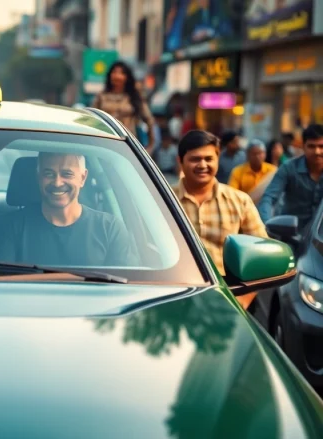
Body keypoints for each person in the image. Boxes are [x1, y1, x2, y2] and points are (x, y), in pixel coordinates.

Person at [0, 152, 139, 267]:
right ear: (38, 177)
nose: (57, 182)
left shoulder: (109, 228)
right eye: (49, 174)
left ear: (83, 178)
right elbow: (2, 288)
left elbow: (125, 289)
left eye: (67, 174)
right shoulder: (7, 227)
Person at [174, 130, 267, 309]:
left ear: (218, 159)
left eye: (209, 159)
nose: (202, 165)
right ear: (180, 161)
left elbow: (261, 255)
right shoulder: (163, 199)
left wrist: (242, 302)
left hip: (230, 297)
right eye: (195, 159)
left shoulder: (240, 202)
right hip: (174, 295)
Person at [259, 124, 323, 235]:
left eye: (321, 146)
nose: (317, 151)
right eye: (311, 146)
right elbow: (268, 198)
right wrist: (268, 225)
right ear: (303, 147)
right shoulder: (289, 168)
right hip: (292, 237)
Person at [91, 61, 157, 154]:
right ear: (110, 75)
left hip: (128, 145)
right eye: (114, 72)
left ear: (127, 77)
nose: (117, 76)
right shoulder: (101, 96)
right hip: (104, 143)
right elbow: (92, 119)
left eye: (121, 73)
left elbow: (149, 120)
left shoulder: (134, 96)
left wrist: (150, 146)